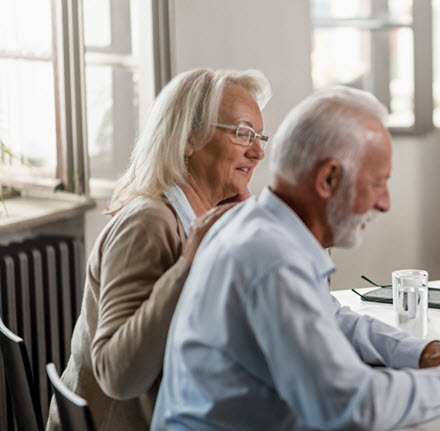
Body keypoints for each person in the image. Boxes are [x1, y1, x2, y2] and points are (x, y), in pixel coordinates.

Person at [151, 87, 440, 431]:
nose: (384, 203)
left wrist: (423, 351)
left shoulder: (261, 227)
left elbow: (330, 317)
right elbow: (351, 404)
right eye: (377, 183)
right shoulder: (271, 258)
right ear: (328, 180)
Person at [46, 68, 272, 430]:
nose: (258, 151)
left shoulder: (201, 218)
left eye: (259, 136)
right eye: (242, 133)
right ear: (188, 139)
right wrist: (191, 263)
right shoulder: (148, 223)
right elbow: (117, 375)